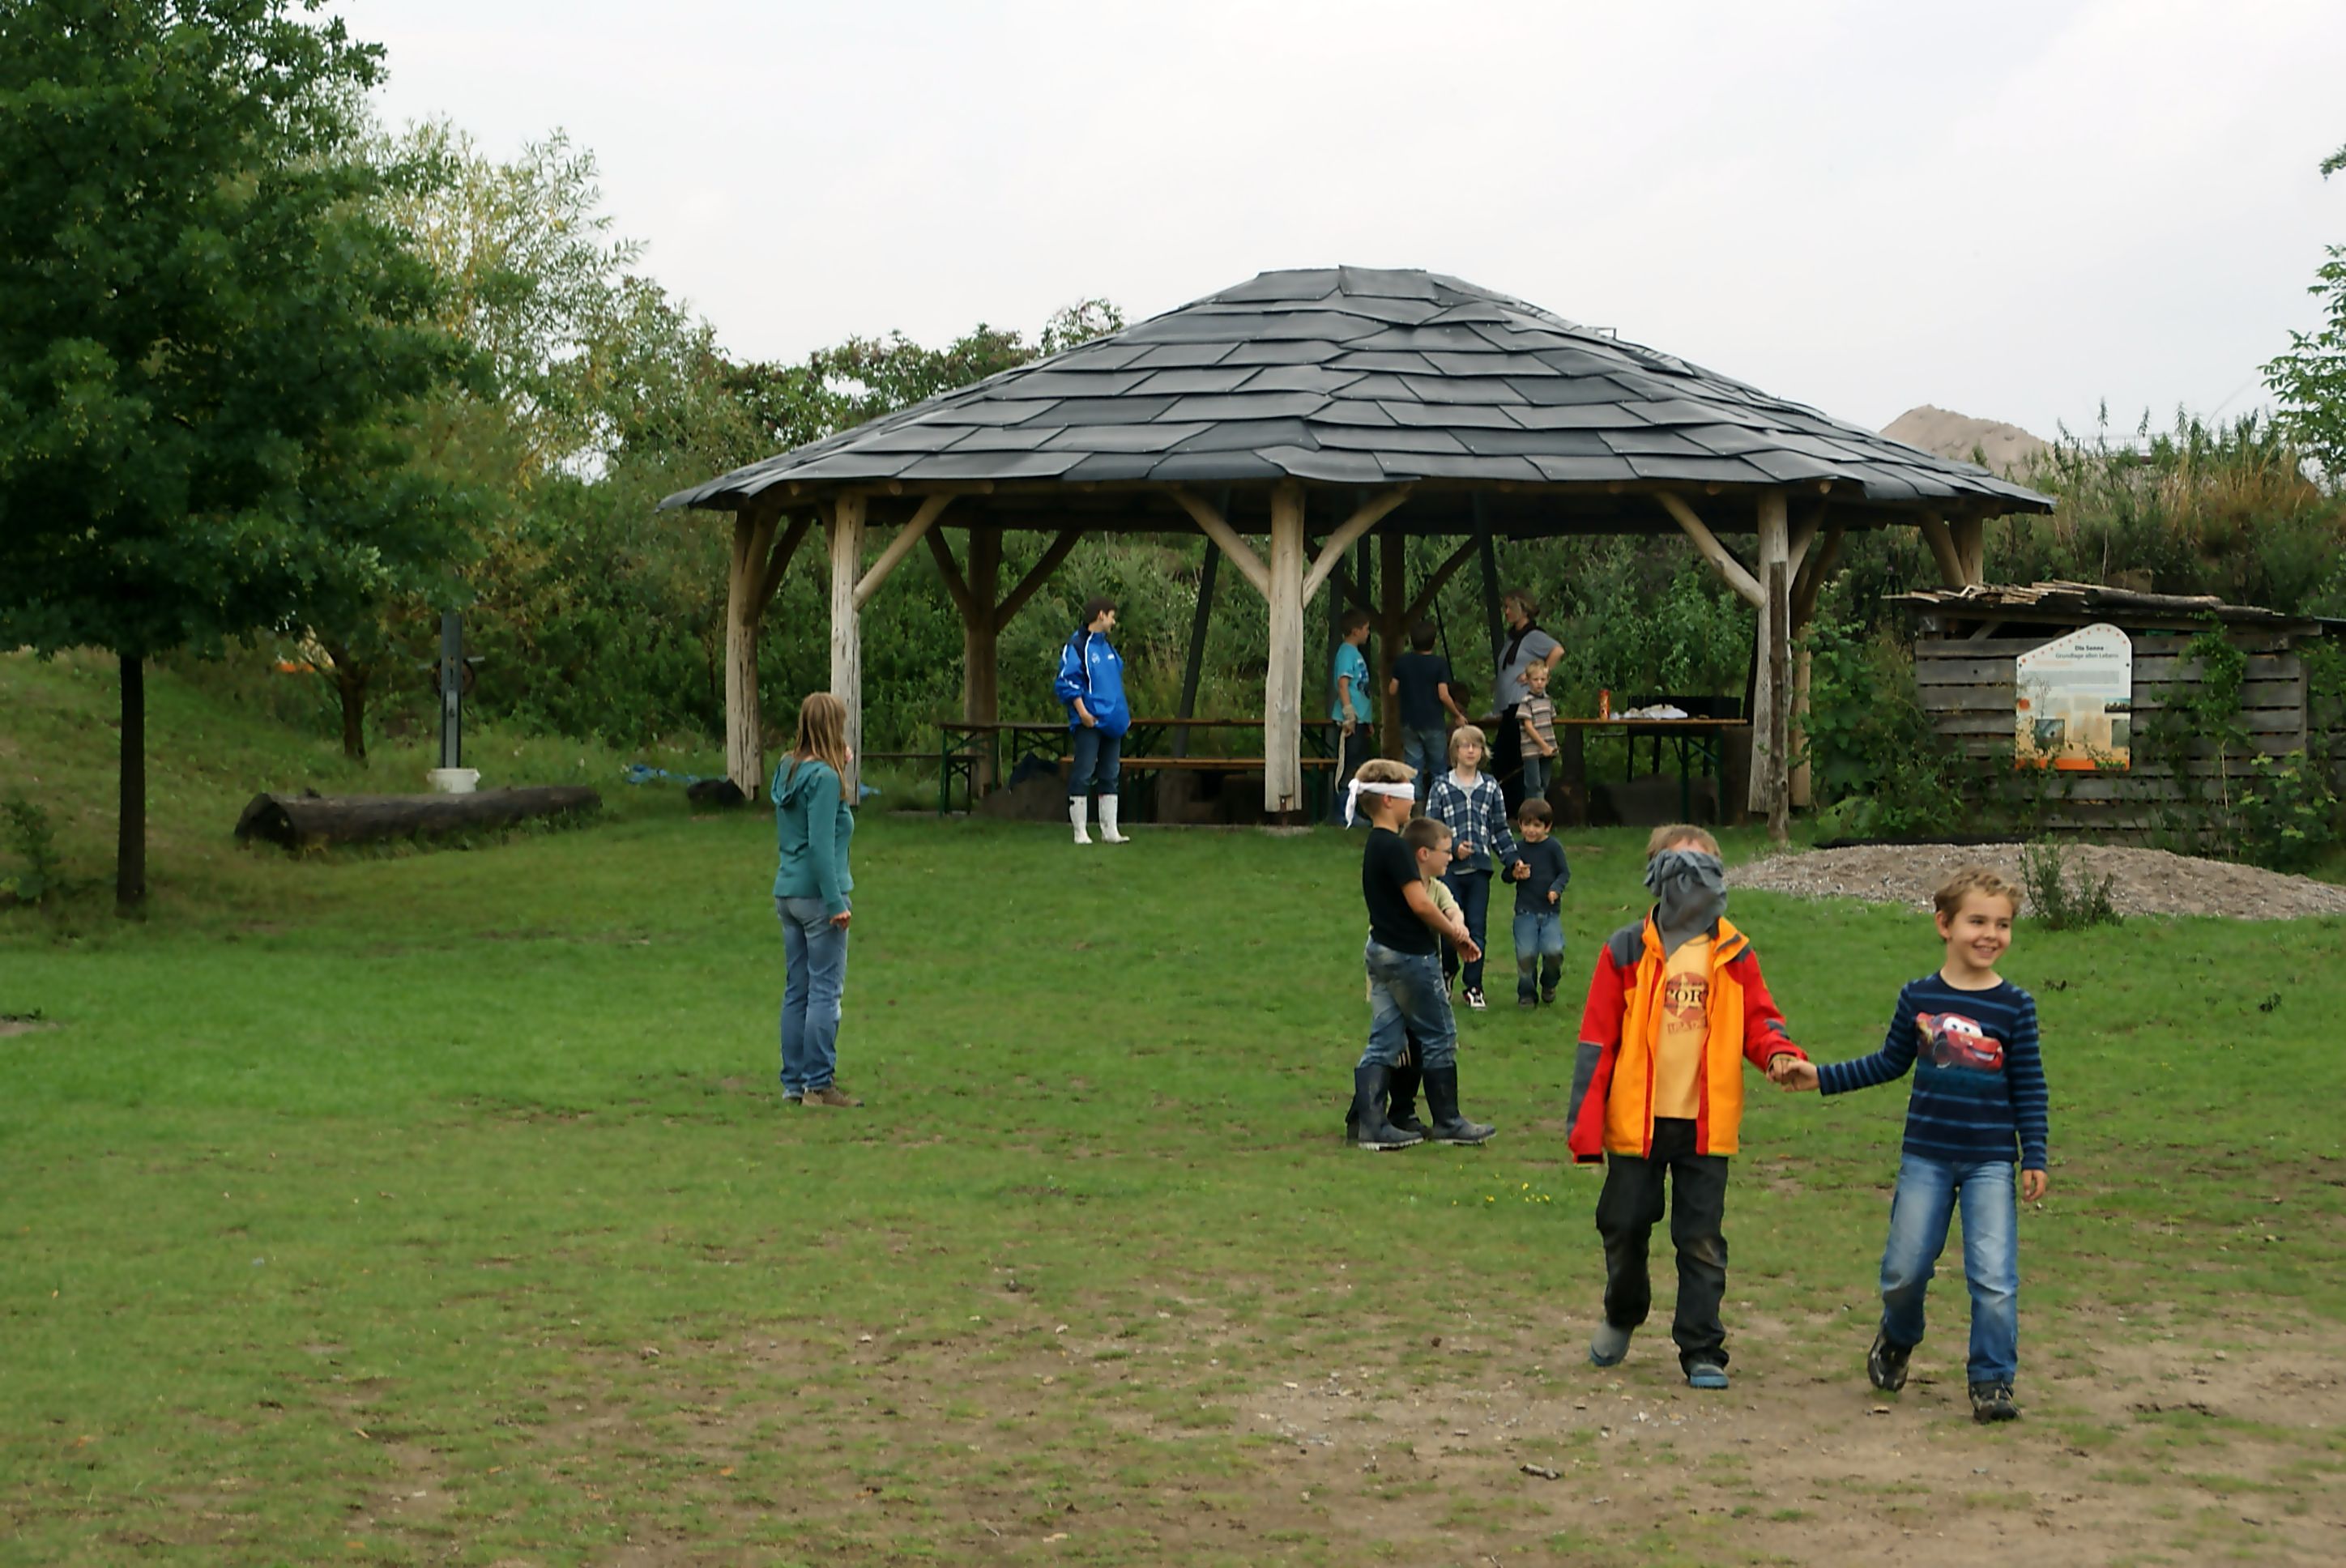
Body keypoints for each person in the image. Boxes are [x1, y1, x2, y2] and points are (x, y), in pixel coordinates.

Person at [1772, 867, 2049, 1424]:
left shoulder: (2015, 1006)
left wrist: (2034, 1154)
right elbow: (1887, 1063)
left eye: (2003, 924)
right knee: (1905, 1271)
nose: (1990, 934)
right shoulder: (1919, 997)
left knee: (1993, 1275)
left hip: (1991, 1160)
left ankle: (1992, 1379)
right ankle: (1898, 1337)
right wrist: (1821, 1076)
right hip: (1925, 1155)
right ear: (1944, 924)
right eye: (1977, 921)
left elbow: (2030, 1085)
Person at [1566, 825, 1806, 1389]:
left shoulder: (1734, 953)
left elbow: (1760, 1021)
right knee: (1622, 1225)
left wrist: (1778, 1054)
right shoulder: (1625, 949)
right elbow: (1596, 1040)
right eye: (1680, 866)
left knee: (1701, 1240)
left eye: (1704, 868)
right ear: (1655, 874)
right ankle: (1623, 1312)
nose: (1692, 880)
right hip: (1635, 1124)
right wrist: (1584, 1127)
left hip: (1706, 1126)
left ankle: (1702, 1348)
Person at [1344, 759, 1495, 1150]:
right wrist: (1456, 936)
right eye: (1408, 796)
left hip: (1379, 950)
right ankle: (1448, 1122)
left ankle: (1370, 1126)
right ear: (1390, 801)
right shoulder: (1395, 847)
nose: (1414, 803)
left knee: (1386, 1039)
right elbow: (1421, 904)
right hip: (1410, 953)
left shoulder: (1374, 846)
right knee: (1439, 1035)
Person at [771, 692, 863, 1109]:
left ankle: (793, 1083)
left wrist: (837, 767)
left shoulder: (788, 769)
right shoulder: (825, 781)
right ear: (832, 728)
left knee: (798, 990)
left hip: (787, 892)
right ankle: (819, 1085)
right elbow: (821, 847)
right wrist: (835, 903)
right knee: (826, 991)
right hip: (817, 896)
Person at [1423, 725, 1525, 1012]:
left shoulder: (1490, 786)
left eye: (1476, 746)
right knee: (1449, 925)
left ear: (1482, 752)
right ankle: (1448, 970)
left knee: (1476, 928)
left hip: (1479, 870)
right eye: (1465, 746)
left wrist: (1512, 860)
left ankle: (1474, 986)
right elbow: (1431, 828)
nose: (1471, 751)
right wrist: (1452, 848)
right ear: (1454, 752)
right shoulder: (1442, 786)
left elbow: (1499, 829)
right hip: (1448, 871)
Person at [1055, 597, 1131, 846]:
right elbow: (1067, 682)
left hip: (1112, 722)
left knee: (1110, 774)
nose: (1113, 621)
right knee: (1084, 772)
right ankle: (1080, 831)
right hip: (1090, 722)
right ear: (1100, 615)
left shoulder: (1108, 648)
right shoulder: (1077, 646)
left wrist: (1121, 716)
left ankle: (1110, 830)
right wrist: (1083, 713)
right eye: (1111, 616)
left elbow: (1114, 682)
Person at [1490, 590, 1561, 815]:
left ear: (1523, 609)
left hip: (1522, 703)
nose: (1506, 612)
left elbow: (1557, 650)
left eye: (1510, 607)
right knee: (1506, 758)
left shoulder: (1533, 636)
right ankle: (1512, 808)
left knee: (1505, 756)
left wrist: (1538, 673)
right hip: (1509, 704)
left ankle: (1520, 808)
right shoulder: (1513, 637)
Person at [1388, 620, 1466, 804]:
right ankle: (1440, 806)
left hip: (1409, 722)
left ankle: (1414, 808)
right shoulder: (1438, 664)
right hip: (1433, 722)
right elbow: (1443, 695)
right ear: (1434, 641)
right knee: (1438, 767)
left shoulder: (1402, 662)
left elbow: (1392, 689)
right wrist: (1457, 714)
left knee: (1413, 767)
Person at [1509, 799, 1571, 1009]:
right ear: (1520, 824)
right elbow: (1505, 876)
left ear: (1548, 827)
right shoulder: (1517, 849)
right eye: (1527, 824)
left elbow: (1564, 872)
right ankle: (1526, 994)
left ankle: (1549, 983)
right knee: (1526, 955)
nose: (1531, 830)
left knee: (1554, 951)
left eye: (1537, 825)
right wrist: (1515, 873)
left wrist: (1556, 889)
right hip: (1525, 912)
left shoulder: (1553, 847)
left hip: (1550, 913)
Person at [1326, 610, 1376, 825]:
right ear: (1356, 631)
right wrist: (1349, 713)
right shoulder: (1346, 653)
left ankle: (1352, 809)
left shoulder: (1355, 653)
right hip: (1351, 719)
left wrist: (1367, 720)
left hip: (1362, 718)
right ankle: (1343, 812)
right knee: (1350, 764)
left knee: (1359, 764)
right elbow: (1343, 684)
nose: (1368, 633)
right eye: (1366, 629)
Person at [1518, 661, 1559, 804]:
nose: (1539, 683)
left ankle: (1540, 815)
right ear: (1528, 681)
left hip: (1548, 748)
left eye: (1543, 679)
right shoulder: (1526, 701)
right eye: (1535, 680)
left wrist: (1550, 745)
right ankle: (1532, 815)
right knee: (1533, 785)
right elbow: (1528, 727)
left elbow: (1551, 719)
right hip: (1532, 750)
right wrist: (1543, 746)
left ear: (1548, 680)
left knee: (1544, 783)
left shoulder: (1548, 700)